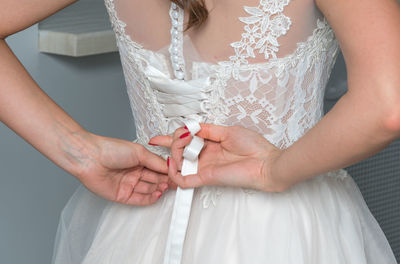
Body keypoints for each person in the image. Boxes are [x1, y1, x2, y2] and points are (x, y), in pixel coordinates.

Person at [1, 0, 399, 263]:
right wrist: (271, 170)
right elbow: (388, 105)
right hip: (285, 228)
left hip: (141, 218)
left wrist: (79, 152)